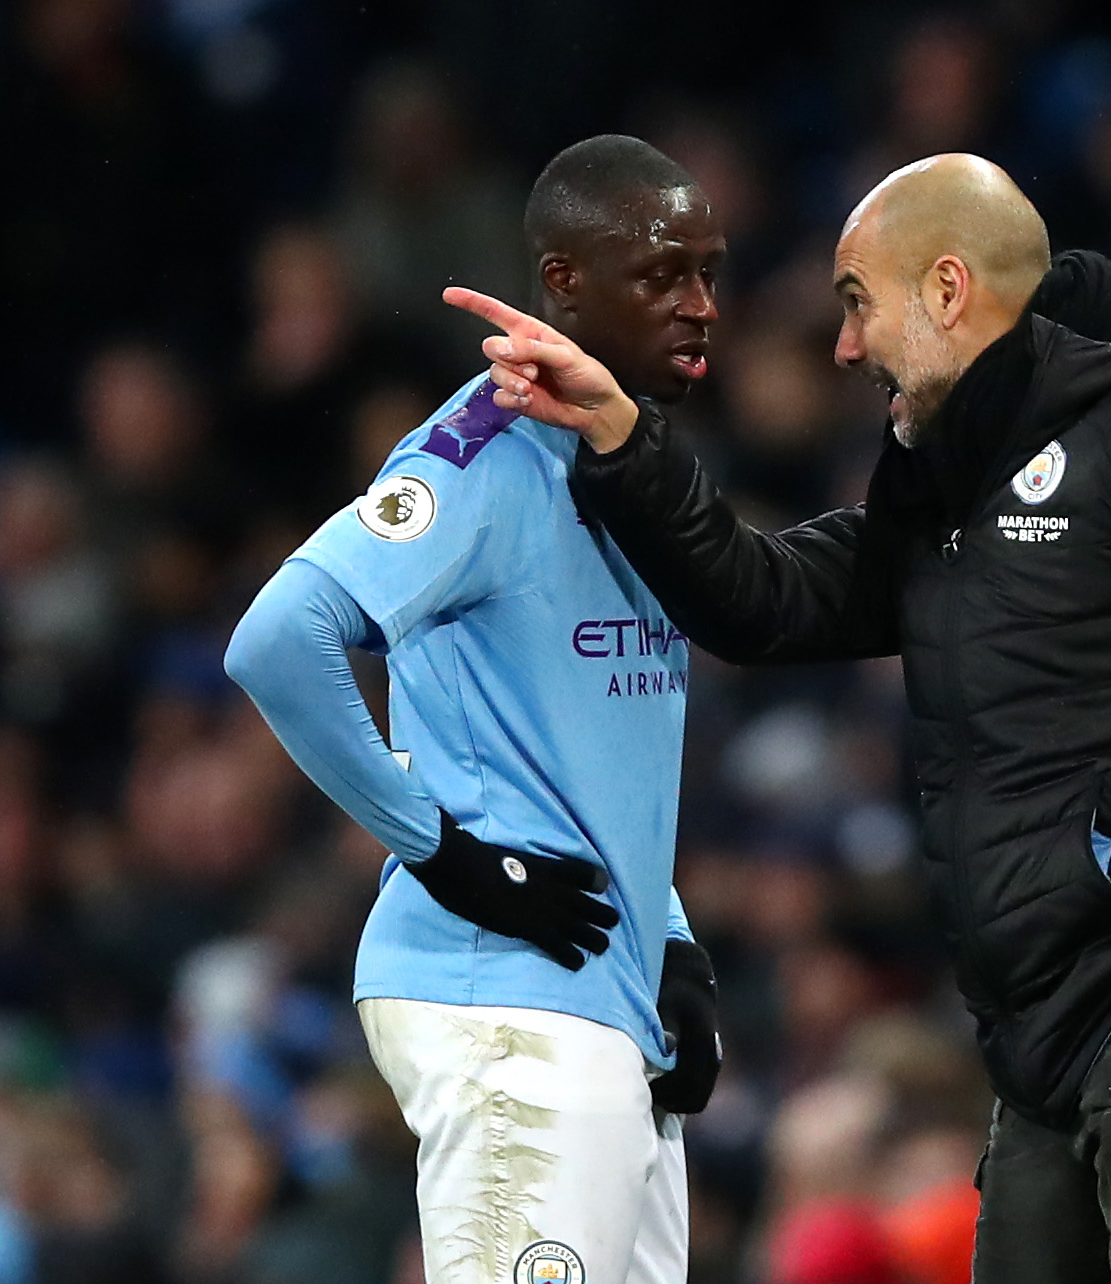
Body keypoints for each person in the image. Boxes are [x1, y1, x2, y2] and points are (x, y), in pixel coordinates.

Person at [450, 153, 1111, 1284]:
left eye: (854, 303)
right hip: (1042, 1036)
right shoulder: (950, 491)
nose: (843, 347)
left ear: (945, 290)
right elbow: (764, 602)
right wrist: (624, 441)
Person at [224, 134, 727, 1284]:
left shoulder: (630, 464)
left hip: (603, 995)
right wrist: (439, 850)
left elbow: (591, 743)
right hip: (506, 996)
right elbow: (278, 639)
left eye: (709, 271)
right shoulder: (484, 449)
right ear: (563, 284)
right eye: (662, 275)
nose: (699, 305)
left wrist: (673, 940)